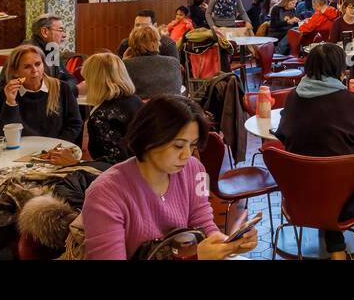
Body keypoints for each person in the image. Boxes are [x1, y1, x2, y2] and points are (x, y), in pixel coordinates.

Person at [81, 95, 254, 259]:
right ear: (148, 139)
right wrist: (196, 256)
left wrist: (224, 243)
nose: (187, 155)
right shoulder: (104, 195)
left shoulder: (196, 170)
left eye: (192, 145)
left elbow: (203, 220)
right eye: (178, 146)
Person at [274, 43, 354, 256]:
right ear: (339, 70)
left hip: (299, 198)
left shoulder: (293, 98)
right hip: (343, 204)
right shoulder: (351, 101)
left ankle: (336, 245)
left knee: (328, 164)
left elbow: (283, 135)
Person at [0, 44, 83, 157]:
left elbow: (75, 124)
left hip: (57, 153)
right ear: (16, 72)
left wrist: (56, 148)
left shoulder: (61, 88)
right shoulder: (4, 93)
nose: (35, 70)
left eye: (38, 64)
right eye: (27, 67)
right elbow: (1, 135)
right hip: (19, 154)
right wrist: (11, 103)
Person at [82, 53, 143, 164]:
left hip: (125, 176)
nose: (84, 83)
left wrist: (73, 163)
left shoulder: (100, 117)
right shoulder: (135, 100)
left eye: (86, 78)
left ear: (95, 81)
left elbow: (113, 166)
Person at [122, 24, 184, 99]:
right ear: (157, 42)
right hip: (174, 107)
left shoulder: (126, 65)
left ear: (132, 45)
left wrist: (123, 63)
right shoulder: (174, 62)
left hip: (143, 109)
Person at [29, 15, 77, 86]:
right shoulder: (31, 53)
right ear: (45, 32)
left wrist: (71, 87)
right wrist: (76, 89)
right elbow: (43, 89)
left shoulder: (51, 49)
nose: (64, 35)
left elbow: (67, 77)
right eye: (60, 30)